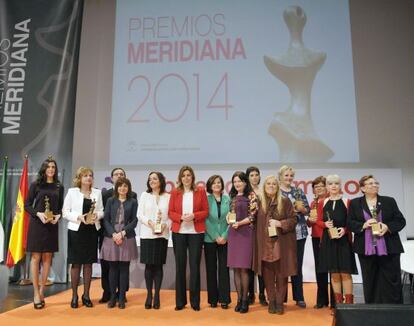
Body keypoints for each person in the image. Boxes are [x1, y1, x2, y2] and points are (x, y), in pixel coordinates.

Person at [348, 175, 406, 304]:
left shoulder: (389, 201)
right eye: (370, 183)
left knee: (391, 279)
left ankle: (395, 308)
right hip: (366, 248)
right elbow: (350, 223)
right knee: (370, 279)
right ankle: (372, 308)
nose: (374, 185)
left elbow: (400, 221)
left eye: (376, 183)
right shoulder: (355, 203)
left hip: (389, 247)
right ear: (362, 188)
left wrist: (387, 226)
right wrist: (363, 225)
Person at [253, 175, 297, 315]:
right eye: (268, 184)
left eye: (274, 184)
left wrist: (280, 223)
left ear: (277, 187)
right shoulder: (258, 203)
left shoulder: (285, 201)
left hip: (281, 244)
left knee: (282, 275)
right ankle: (271, 301)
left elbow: (293, 220)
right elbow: (252, 219)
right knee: (268, 276)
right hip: (264, 244)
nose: (271, 186)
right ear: (264, 187)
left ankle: (279, 302)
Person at [25, 157, 64, 309]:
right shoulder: (36, 184)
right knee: (36, 257)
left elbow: (60, 207)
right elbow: (27, 205)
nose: (51, 169)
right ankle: (35, 292)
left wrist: (58, 216)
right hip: (37, 224)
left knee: (48, 257)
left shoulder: (59, 186)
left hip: (51, 226)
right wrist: (38, 214)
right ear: (44, 169)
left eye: (53, 167)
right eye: (48, 167)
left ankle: (42, 291)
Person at [63, 166, 104, 308]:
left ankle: (86, 295)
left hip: (92, 231)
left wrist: (96, 216)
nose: (88, 178)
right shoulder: (72, 192)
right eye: (85, 175)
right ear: (79, 178)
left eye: (90, 175)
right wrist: (79, 217)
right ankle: (74, 295)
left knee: (88, 264)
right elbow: (65, 212)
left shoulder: (97, 193)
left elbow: (101, 211)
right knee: (76, 264)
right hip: (76, 231)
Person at [168, 166, 208, 311]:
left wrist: (194, 216)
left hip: (196, 234)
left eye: (189, 175)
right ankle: (180, 302)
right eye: (183, 175)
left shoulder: (201, 192)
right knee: (180, 267)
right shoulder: (175, 192)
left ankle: (195, 302)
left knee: (194, 267)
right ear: (180, 178)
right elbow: (170, 212)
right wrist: (180, 218)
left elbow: (205, 211)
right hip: (179, 232)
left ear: (192, 177)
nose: (186, 178)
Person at [317, 174, 357, 309]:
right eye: (330, 184)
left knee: (345, 273)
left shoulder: (347, 201)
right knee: (334, 274)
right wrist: (324, 225)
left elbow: (351, 222)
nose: (333, 186)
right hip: (328, 241)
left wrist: (344, 230)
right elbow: (318, 221)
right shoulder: (322, 202)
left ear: (340, 186)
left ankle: (349, 305)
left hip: (344, 241)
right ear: (327, 186)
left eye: (336, 183)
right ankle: (339, 306)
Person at [100, 168, 137, 303]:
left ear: (128, 188)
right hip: (111, 236)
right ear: (116, 187)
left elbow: (134, 220)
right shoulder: (110, 200)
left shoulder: (133, 201)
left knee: (124, 268)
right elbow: (106, 219)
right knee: (113, 268)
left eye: (125, 186)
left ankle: (122, 297)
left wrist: (122, 233)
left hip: (126, 236)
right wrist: (113, 233)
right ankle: (112, 297)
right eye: (120, 186)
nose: (122, 188)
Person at [227, 171, 258, 313]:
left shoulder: (251, 196)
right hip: (233, 233)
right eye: (235, 182)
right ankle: (239, 299)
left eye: (239, 181)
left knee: (244, 268)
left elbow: (253, 216)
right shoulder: (232, 196)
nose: (237, 184)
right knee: (236, 269)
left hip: (246, 233)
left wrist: (239, 223)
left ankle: (245, 300)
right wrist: (229, 219)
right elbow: (230, 213)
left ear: (245, 182)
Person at [138, 172, 170, 309]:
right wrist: (150, 223)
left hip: (161, 235)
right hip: (147, 234)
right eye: (150, 179)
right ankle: (149, 295)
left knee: (158, 265)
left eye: (155, 178)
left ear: (161, 181)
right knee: (148, 266)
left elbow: (170, 216)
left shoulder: (168, 197)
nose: (152, 181)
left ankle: (157, 295)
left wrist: (164, 225)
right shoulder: (145, 195)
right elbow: (139, 214)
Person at [278, 165, 309, 308]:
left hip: (299, 233)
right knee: (281, 266)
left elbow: (307, 209)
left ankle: (299, 297)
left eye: (291, 175)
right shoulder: (276, 192)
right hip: (282, 234)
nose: (289, 178)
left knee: (297, 266)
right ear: (280, 176)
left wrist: (302, 209)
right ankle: (281, 297)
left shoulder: (298, 191)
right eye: (286, 175)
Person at [204, 175, 231, 309]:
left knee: (224, 269)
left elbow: (231, 219)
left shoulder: (228, 199)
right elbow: (205, 219)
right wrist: (215, 236)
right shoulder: (206, 199)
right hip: (210, 238)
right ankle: (213, 299)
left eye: (219, 182)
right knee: (211, 269)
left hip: (225, 239)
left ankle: (224, 299)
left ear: (222, 185)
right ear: (210, 185)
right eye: (214, 183)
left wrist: (225, 236)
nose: (217, 184)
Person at [306, 176, 333, 309]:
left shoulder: (331, 201)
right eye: (316, 187)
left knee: (332, 269)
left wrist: (317, 222)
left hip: (329, 237)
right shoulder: (313, 203)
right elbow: (310, 223)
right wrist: (310, 221)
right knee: (320, 269)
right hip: (316, 238)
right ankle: (322, 300)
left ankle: (335, 301)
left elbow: (329, 223)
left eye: (321, 186)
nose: (319, 188)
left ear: (326, 187)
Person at [245, 166, 267, 306]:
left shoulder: (264, 191)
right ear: (247, 177)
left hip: (262, 231)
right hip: (248, 230)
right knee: (249, 264)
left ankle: (262, 295)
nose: (254, 177)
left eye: (256, 174)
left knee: (261, 263)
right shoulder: (245, 192)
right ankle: (250, 293)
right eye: (251, 175)